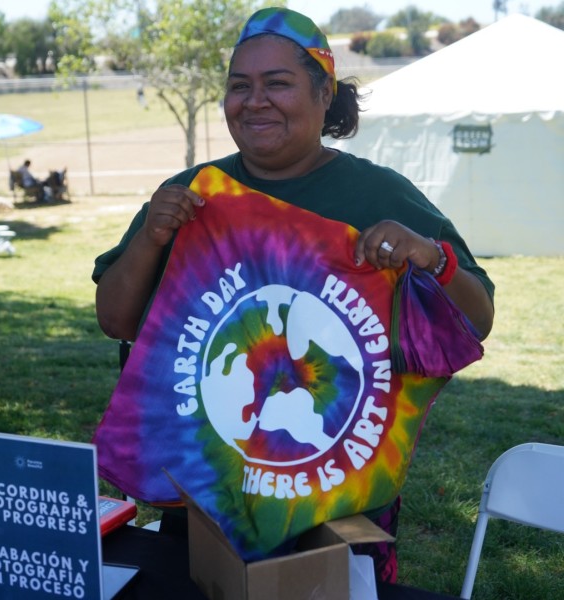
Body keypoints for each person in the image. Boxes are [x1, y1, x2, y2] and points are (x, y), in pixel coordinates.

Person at [93, 7, 494, 584]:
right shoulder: (194, 194)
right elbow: (115, 318)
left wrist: (432, 257)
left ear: (324, 92)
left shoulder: (378, 194)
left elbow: (474, 321)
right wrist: (154, 238)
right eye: (239, 85)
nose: (254, 101)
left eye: (277, 83)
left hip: (336, 503)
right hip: (207, 493)